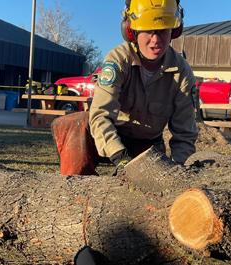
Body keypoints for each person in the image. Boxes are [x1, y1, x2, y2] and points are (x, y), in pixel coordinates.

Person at [51, 0, 199, 176]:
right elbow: (101, 115)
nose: (156, 39)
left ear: (174, 30)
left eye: (162, 31)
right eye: (148, 31)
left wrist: (180, 171)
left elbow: (185, 133)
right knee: (75, 124)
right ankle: (75, 188)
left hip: (147, 146)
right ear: (132, 30)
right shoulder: (118, 61)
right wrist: (121, 157)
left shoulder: (181, 71)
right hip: (112, 136)